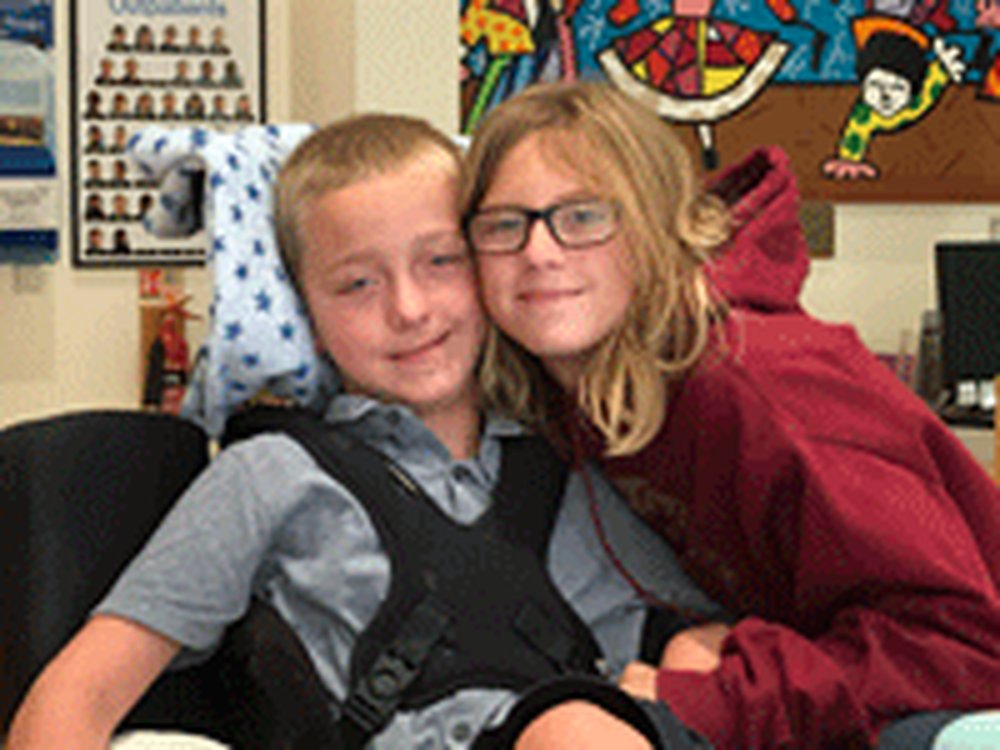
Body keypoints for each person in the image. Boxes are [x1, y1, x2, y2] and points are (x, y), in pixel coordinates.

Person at [8, 113, 718, 750]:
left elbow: (697, 638)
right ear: (306, 320)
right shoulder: (271, 477)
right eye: (357, 285)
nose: (408, 309)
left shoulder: (569, 472)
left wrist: (689, 659)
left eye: (441, 261)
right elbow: (77, 696)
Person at [460, 81, 1000, 749]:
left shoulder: (755, 382)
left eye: (584, 216)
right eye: (504, 224)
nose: (540, 252)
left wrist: (721, 694)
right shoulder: (579, 395)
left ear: (658, 226)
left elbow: (962, 644)